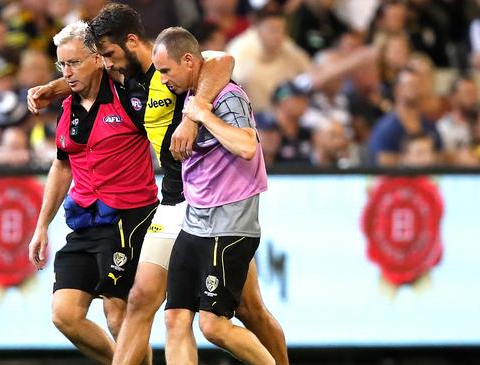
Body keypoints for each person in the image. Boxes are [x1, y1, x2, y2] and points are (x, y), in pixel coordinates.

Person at [27, 4, 288, 365]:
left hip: (211, 203)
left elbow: (221, 59)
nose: (106, 63)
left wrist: (193, 116)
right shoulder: (126, 80)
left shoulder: (171, 69)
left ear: (132, 42)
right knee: (146, 305)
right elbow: (88, 76)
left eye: (109, 54)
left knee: (247, 311)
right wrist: (57, 87)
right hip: (174, 202)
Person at [27, 21, 159, 365]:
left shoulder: (129, 97)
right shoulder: (68, 107)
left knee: (118, 314)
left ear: (99, 59)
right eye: (62, 64)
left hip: (128, 218)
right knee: (64, 314)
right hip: (85, 221)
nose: (67, 72)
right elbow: (62, 165)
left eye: (74, 62)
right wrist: (42, 226)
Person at [152, 26, 273, 365]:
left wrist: (201, 115)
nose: (162, 80)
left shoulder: (227, 96)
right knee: (175, 317)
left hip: (230, 223)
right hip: (196, 221)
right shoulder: (193, 92)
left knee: (214, 325)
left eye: (166, 70)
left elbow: (248, 146)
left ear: (189, 61)